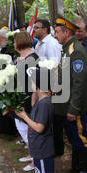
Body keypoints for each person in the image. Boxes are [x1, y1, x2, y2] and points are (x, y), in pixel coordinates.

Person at [54, 16, 87, 173]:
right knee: (73, 139)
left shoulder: (75, 51)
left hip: (74, 106)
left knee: (81, 140)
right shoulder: (66, 49)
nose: (55, 35)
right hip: (65, 103)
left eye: (57, 32)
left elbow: (79, 83)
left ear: (66, 32)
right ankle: (76, 169)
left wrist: (74, 109)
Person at [15, 67, 61, 173]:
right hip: (38, 147)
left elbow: (40, 127)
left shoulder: (45, 104)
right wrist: (26, 113)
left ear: (39, 85)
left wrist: (25, 117)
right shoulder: (41, 101)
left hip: (43, 148)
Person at [33, 19, 63, 157]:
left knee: (54, 120)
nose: (34, 30)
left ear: (45, 29)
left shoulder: (51, 44)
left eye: (37, 27)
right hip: (43, 85)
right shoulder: (39, 44)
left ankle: (57, 150)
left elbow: (55, 66)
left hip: (51, 87)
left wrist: (52, 86)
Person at [13, 31, 39, 172]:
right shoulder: (23, 57)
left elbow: (35, 83)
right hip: (23, 96)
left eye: (15, 41)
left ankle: (35, 161)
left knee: (31, 129)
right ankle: (31, 154)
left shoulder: (33, 59)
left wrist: (34, 102)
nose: (13, 44)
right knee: (23, 127)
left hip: (30, 98)